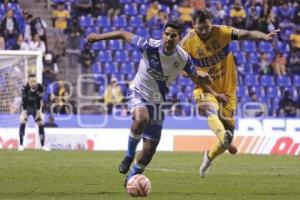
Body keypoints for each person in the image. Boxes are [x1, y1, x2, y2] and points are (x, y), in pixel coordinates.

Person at [87, 20, 211, 187]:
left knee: (149, 150)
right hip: (138, 92)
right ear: (163, 34)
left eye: (173, 35)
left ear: (178, 38)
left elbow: (195, 77)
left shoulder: (183, 58)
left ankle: (131, 179)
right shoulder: (149, 45)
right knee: (141, 117)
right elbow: (123, 34)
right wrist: (98, 37)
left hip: (158, 103)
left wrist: (213, 92)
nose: (169, 38)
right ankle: (129, 155)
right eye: (166, 34)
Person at [181, 8, 279, 177]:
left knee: (226, 143)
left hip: (228, 91)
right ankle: (222, 136)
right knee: (208, 109)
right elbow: (181, 70)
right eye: (200, 28)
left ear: (211, 22)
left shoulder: (221, 32)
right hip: (205, 88)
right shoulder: (187, 43)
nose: (204, 31)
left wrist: (263, 36)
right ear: (193, 25)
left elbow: (247, 34)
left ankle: (208, 156)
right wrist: (196, 72)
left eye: (206, 27)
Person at [18, 74, 50, 151]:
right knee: (23, 123)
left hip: (36, 107)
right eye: (31, 81)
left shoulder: (41, 87)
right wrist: (24, 111)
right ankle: (21, 145)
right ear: (28, 82)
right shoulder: (24, 88)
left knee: (41, 124)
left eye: (34, 81)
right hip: (26, 107)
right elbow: (24, 101)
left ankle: (43, 146)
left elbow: (39, 100)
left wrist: (39, 111)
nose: (33, 83)